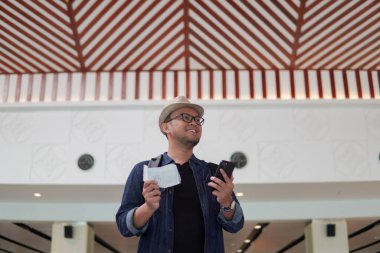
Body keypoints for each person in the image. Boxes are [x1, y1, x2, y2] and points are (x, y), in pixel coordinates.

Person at [116, 96, 244, 253]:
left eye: (198, 119)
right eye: (186, 117)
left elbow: (235, 224)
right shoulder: (144, 171)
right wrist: (148, 207)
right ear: (166, 127)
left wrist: (226, 202)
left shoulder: (212, 173)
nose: (194, 123)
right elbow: (124, 226)